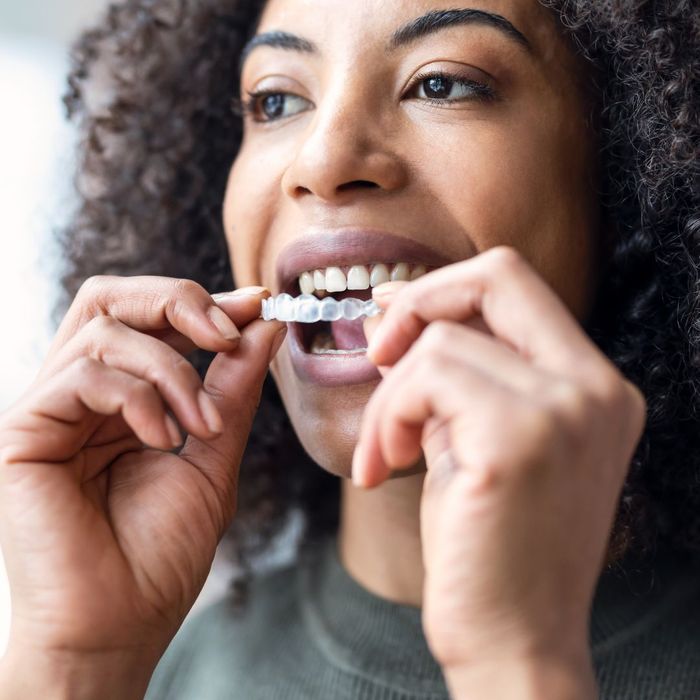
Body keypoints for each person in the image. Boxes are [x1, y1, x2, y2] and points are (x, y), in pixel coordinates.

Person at [0, 0, 698, 697]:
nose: (323, 159)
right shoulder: (167, 670)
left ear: (626, 168)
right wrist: (71, 660)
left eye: (441, 83)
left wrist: (518, 663)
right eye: (275, 100)